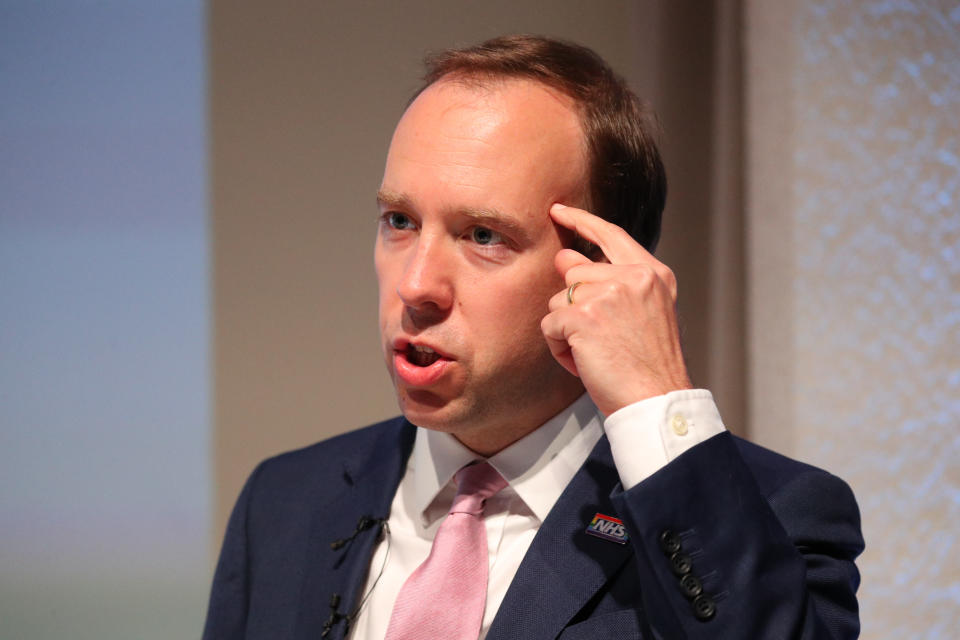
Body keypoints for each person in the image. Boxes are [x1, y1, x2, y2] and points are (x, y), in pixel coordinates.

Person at [203, 35, 863, 640]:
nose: (416, 285)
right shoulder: (284, 502)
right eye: (400, 220)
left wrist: (656, 398)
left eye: (483, 236)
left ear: (600, 270)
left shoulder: (777, 516)